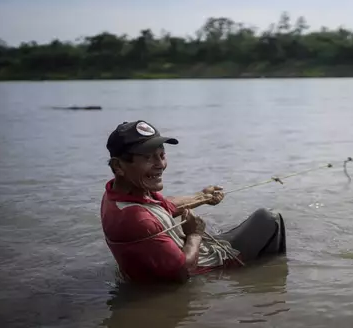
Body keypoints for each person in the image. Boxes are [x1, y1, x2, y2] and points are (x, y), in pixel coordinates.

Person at [100, 120, 286, 284]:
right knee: (270, 220)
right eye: (148, 158)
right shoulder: (136, 219)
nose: (160, 164)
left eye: (161, 155)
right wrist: (195, 234)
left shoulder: (118, 193)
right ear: (118, 166)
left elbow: (165, 205)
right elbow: (183, 272)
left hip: (155, 267)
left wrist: (202, 197)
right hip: (201, 269)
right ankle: (266, 283)